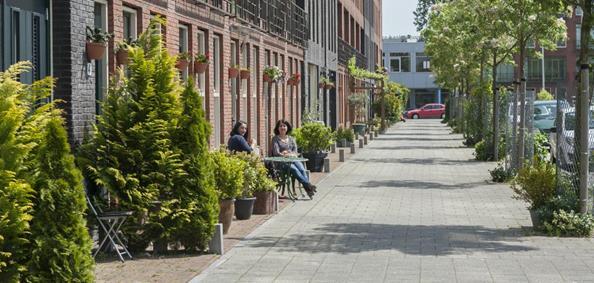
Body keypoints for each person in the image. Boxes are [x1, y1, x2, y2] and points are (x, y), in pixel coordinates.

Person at [271, 119, 316, 199]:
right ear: (277, 128)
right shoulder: (275, 139)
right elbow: (276, 152)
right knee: (295, 170)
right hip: (281, 162)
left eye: (284, 126)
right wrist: (286, 154)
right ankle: (308, 186)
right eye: (280, 126)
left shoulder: (291, 139)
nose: (282, 127)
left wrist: (288, 153)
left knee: (302, 170)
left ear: (287, 128)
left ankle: (308, 188)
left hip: (293, 159)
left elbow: (295, 151)